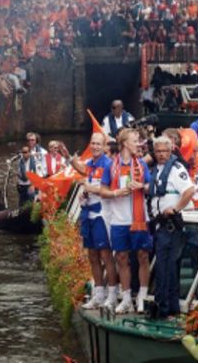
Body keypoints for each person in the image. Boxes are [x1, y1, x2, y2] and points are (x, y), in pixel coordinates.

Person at [99, 128, 151, 314]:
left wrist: (142, 186)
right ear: (124, 144)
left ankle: (142, 297)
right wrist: (116, 193)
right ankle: (127, 297)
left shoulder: (141, 165)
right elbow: (102, 191)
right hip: (119, 219)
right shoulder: (111, 166)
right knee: (121, 258)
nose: (138, 144)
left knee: (142, 256)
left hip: (139, 218)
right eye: (135, 141)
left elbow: (150, 186)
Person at [147, 136, 196, 319]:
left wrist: (175, 209)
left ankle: (166, 308)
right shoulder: (157, 170)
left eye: (164, 151)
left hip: (170, 225)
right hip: (159, 224)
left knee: (167, 267)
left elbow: (189, 190)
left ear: (170, 151)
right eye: (158, 151)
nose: (161, 154)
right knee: (164, 267)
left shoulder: (176, 169)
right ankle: (166, 306)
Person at [71, 132, 118, 309]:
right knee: (92, 255)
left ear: (104, 146)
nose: (95, 147)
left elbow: (111, 190)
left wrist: (92, 189)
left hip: (102, 215)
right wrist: (85, 194)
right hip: (88, 214)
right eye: (93, 143)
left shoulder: (109, 164)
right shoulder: (89, 165)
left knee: (106, 255)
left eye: (99, 144)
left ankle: (112, 295)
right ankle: (98, 294)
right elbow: (88, 185)